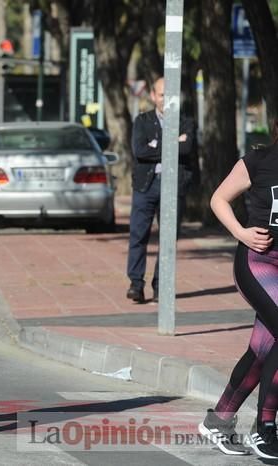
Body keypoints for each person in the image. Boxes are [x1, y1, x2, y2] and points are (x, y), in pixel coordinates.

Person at [197, 120, 278, 458]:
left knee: (263, 349)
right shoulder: (259, 161)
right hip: (257, 261)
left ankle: (218, 422)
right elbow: (219, 199)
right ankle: (266, 430)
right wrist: (241, 233)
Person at [126, 77, 196, 303]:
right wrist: (173, 142)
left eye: (171, 93)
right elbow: (140, 151)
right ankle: (136, 284)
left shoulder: (186, 122)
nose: (167, 98)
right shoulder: (142, 121)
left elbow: (186, 149)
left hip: (174, 185)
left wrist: (158, 144)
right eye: (162, 94)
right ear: (154, 96)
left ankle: (160, 285)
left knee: (168, 238)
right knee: (139, 234)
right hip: (146, 185)